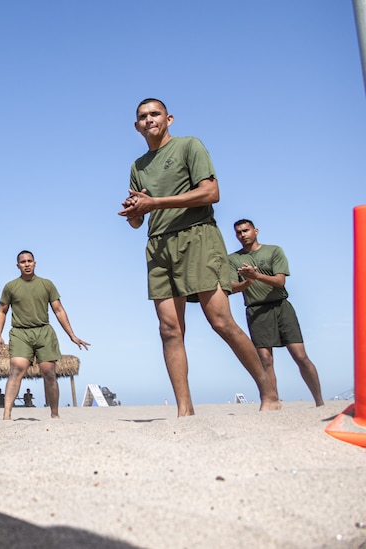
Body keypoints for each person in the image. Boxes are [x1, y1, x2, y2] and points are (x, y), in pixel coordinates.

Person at [118, 98, 279, 416]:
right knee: (169, 330)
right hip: (158, 245)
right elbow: (139, 221)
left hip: (198, 236)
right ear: (136, 126)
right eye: (142, 116)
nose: (149, 119)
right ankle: (184, 410)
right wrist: (136, 212)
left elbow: (211, 193)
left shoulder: (190, 146)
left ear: (169, 118)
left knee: (220, 321)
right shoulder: (137, 167)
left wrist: (156, 203)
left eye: (155, 114)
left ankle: (269, 392)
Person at [228, 219, 324, 406]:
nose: (243, 235)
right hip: (256, 310)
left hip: (281, 307)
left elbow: (280, 282)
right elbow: (231, 287)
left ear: (255, 231)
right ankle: (273, 402)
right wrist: (246, 283)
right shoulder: (233, 259)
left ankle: (319, 402)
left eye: (246, 230)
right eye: (238, 232)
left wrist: (256, 276)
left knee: (300, 356)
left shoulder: (274, 251)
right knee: (265, 360)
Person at [0, 251, 89, 419]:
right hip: (20, 333)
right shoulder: (10, 287)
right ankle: (7, 415)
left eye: (30, 261)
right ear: (18, 266)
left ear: (35, 263)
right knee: (17, 369)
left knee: (49, 373)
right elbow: (2, 311)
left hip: (44, 332)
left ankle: (54, 414)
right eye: (23, 262)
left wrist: (71, 335)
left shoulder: (47, 284)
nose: (27, 264)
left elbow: (58, 310)